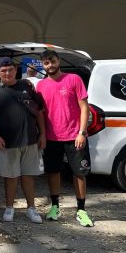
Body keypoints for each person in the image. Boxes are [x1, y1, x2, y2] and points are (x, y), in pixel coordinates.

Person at [36, 50, 94, 227]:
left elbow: (84, 107)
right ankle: (55, 207)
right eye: (46, 63)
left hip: (74, 136)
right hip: (52, 138)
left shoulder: (73, 79)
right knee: (53, 172)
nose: (50, 65)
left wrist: (82, 132)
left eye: (52, 61)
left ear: (58, 61)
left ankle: (81, 210)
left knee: (79, 173)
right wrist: (43, 134)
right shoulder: (40, 86)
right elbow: (40, 113)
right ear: (43, 65)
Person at [0, 57, 45, 224]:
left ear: (16, 70)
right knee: (11, 177)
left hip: (30, 139)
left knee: (28, 176)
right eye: (3, 70)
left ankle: (31, 208)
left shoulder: (27, 86)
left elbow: (39, 112)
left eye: (10, 69)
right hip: (7, 142)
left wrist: (42, 134)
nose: (7, 73)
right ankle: (9, 208)